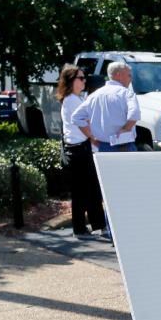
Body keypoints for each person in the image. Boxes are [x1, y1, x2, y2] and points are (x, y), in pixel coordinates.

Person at [56, 65, 105, 239]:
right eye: (81, 78)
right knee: (84, 190)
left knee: (88, 188)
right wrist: (93, 138)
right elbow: (85, 123)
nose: (84, 81)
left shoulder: (75, 98)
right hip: (80, 149)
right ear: (71, 80)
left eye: (84, 78)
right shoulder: (72, 101)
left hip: (79, 149)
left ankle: (95, 224)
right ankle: (81, 228)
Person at [71, 61, 140, 154]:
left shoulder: (95, 95)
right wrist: (126, 129)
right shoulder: (127, 93)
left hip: (102, 146)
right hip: (124, 146)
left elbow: (76, 117)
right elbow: (135, 113)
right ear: (119, 75)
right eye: (129, 75)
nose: (130, 79)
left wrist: (92, 138)